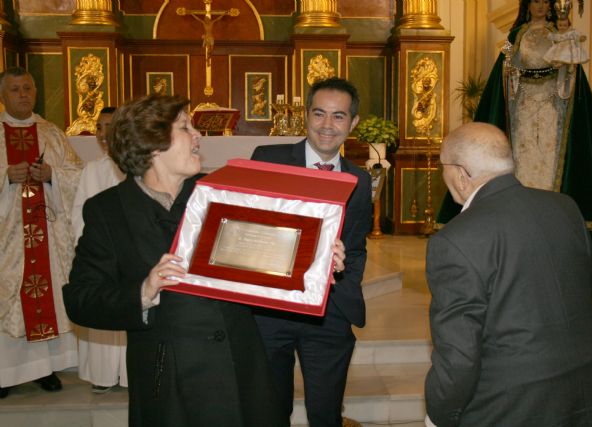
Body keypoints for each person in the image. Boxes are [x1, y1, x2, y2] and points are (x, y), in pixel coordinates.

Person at [63, 94, 290, 426]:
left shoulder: (221, 193)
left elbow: (269, 254)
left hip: (238, 367)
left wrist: (318, 261)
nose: (198, 135)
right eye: (186, 127)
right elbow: (81, 300)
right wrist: (143, 290)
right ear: (152, 144)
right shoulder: (108, 211)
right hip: (169, 380)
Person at [424, 122, 592, 427]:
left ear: (462, 174)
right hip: (589, 391)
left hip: (511, 405)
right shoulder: (565, 207)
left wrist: (440, 415)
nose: (443, 176)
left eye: (443, 167)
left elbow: (459, 356)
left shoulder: (455, 239)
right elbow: (583, 291)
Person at [437, 0, 592, 262]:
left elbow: (571, 69)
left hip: (553, 109)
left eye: (545, 2)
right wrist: (512, 78)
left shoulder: (559, 33)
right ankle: (518, 222)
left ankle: (548, 226)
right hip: (523, 110)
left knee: (551, 163)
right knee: (521, 161)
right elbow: (503, 68)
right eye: (535, 2)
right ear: (527, 6)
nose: (540, 7)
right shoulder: (515, 36)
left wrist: (565, 40)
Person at [251, 77, 372, 426]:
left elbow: (358, 245)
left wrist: (344, 274)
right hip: (271, 311)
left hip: (328, 312)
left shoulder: (359, 180)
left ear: (353, 123)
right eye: (319, 114)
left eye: (338, 116)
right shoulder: (269, 159)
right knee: (270, 412)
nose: (327, 126)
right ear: (306, 115)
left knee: (326, 415)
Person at [0, 66, 82, 399]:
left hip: (45, 231)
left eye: (28, 88)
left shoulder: (51, 133)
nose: (23, 94)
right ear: (3, 95)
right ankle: (5, 372)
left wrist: (51, 175)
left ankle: (45, 369)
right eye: (15, 89)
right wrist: (6, 178)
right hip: (8, 238)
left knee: (46, 294)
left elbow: (77, 175)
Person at [71, 106, 127, 393]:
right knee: (103, 308)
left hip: (129, 255)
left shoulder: (135, 165)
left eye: (110, 126)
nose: (104, 134)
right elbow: (79, 211)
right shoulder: (92, 170)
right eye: (99, 127)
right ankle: (103, 375)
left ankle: (130, 375)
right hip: (102, 254)